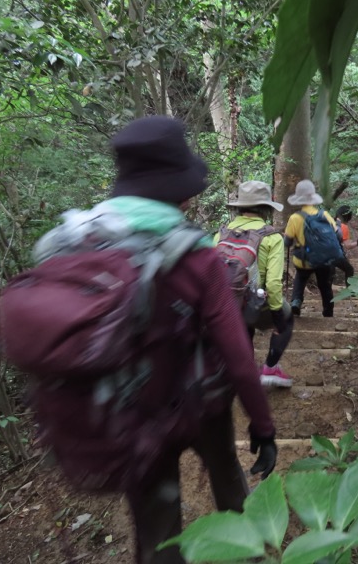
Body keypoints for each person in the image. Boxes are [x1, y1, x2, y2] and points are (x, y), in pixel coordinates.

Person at [108, 117, 277, 564]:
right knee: (227, 477)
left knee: (156, 530)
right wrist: (263, 425)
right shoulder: (195, 253)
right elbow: (237, 354)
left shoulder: (84, 241)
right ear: (182, 191)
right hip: (201, 402)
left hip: (130, 412)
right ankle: (249, 554)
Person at [216, 180, 295, 388]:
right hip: (255, 301)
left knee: (244, 326)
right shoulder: (271, 236)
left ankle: (246, 373)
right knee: (286, 320)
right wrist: (278, 313)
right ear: (266, 208)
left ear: (240, 207)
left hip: (225, 303)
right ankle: (270, 368)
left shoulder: (222, 232)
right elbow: (274, 283)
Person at [284, 179, 341, 317]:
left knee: (300, 279)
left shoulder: (294, 218)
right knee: (325, 285)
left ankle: (296, 302)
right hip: (324, 260)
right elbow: (338, 234)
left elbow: (287, 241)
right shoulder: (324, 214)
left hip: (304, 260)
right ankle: (328, 312)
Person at [333, 205, 357, 286]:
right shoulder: (344, 227)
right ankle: (350, 291)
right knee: (349, 269)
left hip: (321, 252)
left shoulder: (330, 222)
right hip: (335, 254)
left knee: (329, 274)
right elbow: (348, 246)